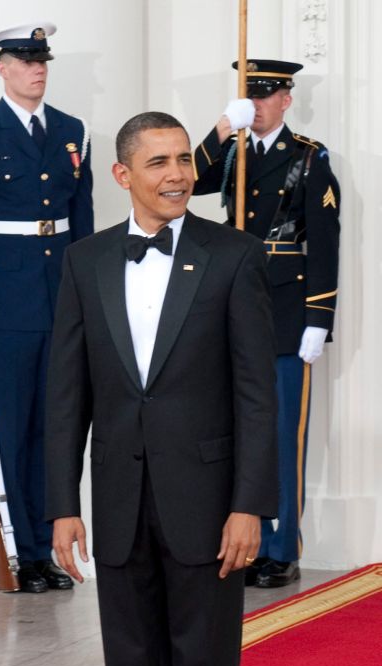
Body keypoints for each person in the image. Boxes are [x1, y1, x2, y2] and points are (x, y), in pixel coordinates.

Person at [46, 112, 278, 666]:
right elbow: (65, 392)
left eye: (184, 159)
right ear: (123, 175)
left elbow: (257, 395)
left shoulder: (233, 256)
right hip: (116, 505)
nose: (178, 173)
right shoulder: (84, 261)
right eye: (159, 162)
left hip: (209, 508)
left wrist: (250, 506)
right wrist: (60, 506)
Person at [0, 22, 94, 593]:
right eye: (25, 60)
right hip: (4, 296)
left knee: (56, 427)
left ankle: (46, 548)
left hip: (61, 293)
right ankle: (16, 550)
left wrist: (90, 294)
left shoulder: (73, 131)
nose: (37, 69)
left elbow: (83, 219)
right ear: (1, 67)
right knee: (10, 426)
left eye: (42, 60)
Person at [193, 59, 341, 588]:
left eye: (265, 95)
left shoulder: (307, 156)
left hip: (283, 311)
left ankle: (280, 547)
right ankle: (241, 540)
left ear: (286, 99)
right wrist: (218, 129)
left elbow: (324, 240)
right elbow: (186, 182)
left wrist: (318, 317)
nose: (255, 104)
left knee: (280, 432)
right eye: (248, 96)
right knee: (229, 428)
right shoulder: (230, 149)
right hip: (228, 303)